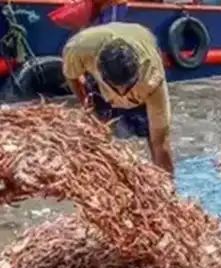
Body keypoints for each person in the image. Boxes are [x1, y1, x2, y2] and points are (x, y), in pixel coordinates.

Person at [62, 23, 174, 175]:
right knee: (100, 131)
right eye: (117, 89)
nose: (122, 94)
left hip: (143, 39)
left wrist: (168, 185)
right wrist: (86, 104)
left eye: (127, 89)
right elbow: (72, 76)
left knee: (154, 136)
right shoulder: (77, 51)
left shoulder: (152, 79)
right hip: (96, 68)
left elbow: (161, 142)